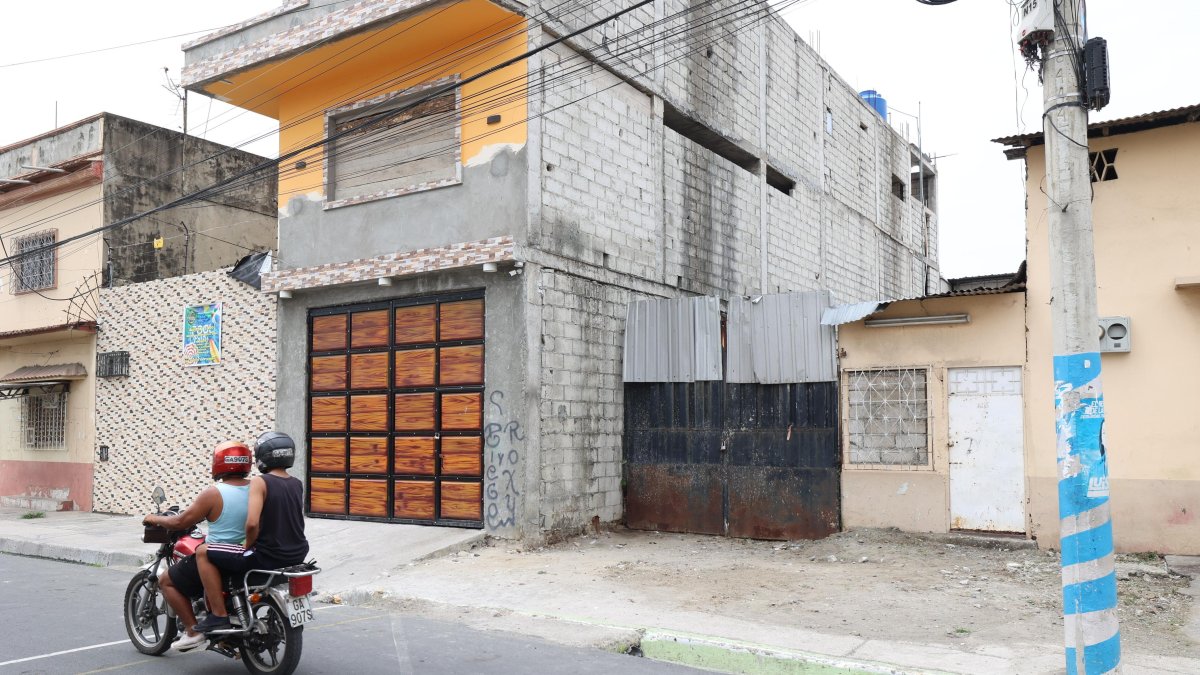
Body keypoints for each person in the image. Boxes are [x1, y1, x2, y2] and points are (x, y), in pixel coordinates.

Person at [142, 441, 252, 653]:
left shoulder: (213, 493)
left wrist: (154, 518)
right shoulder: (257, 488)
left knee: (166, 581)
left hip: (218, 556)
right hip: (246, 554)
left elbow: (179, 522)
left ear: (218, 463)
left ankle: (193, 631)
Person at [207, 431, 309, 581]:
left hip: (269, 555)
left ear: (263, 456)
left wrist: (246, 546)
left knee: (203, 551)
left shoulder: (260, 482)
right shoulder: (297, 483)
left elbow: (252, 523)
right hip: (299, 552)